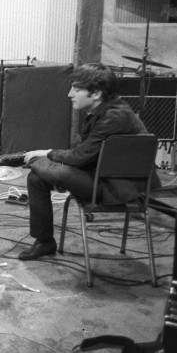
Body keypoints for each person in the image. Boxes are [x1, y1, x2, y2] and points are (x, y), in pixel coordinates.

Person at [11, 62, 159, 260]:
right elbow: (85, 152)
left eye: (77, 89)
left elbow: (79, 157)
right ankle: (44, 242)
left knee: (58, 172)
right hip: (103, 176)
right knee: (37, 179)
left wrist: (46, 153)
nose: (70, 94)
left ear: (96, 93)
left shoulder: (113, 116)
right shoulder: (106, 110)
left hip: (116, 188)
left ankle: (27, 159)